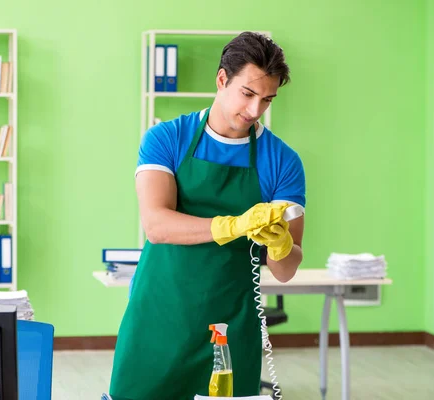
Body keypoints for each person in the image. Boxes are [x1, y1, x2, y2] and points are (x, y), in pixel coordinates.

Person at [109, 31, 306, 399]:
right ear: (221, 79)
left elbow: (286, 268)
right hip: (159, 318)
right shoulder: (167, 138)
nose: (254, 111)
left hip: (230, 329)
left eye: (266, 100)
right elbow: (157, 225)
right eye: (247, 94)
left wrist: (280, 246)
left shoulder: (282, 161)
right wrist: (234, 225)